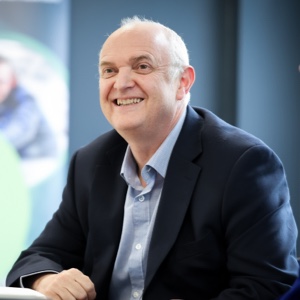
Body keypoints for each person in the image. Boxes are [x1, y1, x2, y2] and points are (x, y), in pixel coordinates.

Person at [6, 16, 299, 300]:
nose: (120, 83)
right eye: (108, 71)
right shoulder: (90, 162)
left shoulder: (244, 163)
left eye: (142, 66)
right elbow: (38, 257)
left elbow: (269, 284)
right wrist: (48, 280)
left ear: (183, 82)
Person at [0, 56, 57, 159]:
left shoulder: (26, 101)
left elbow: (18, 131)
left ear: (12, 82)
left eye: (1, 82)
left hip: (39, 160)